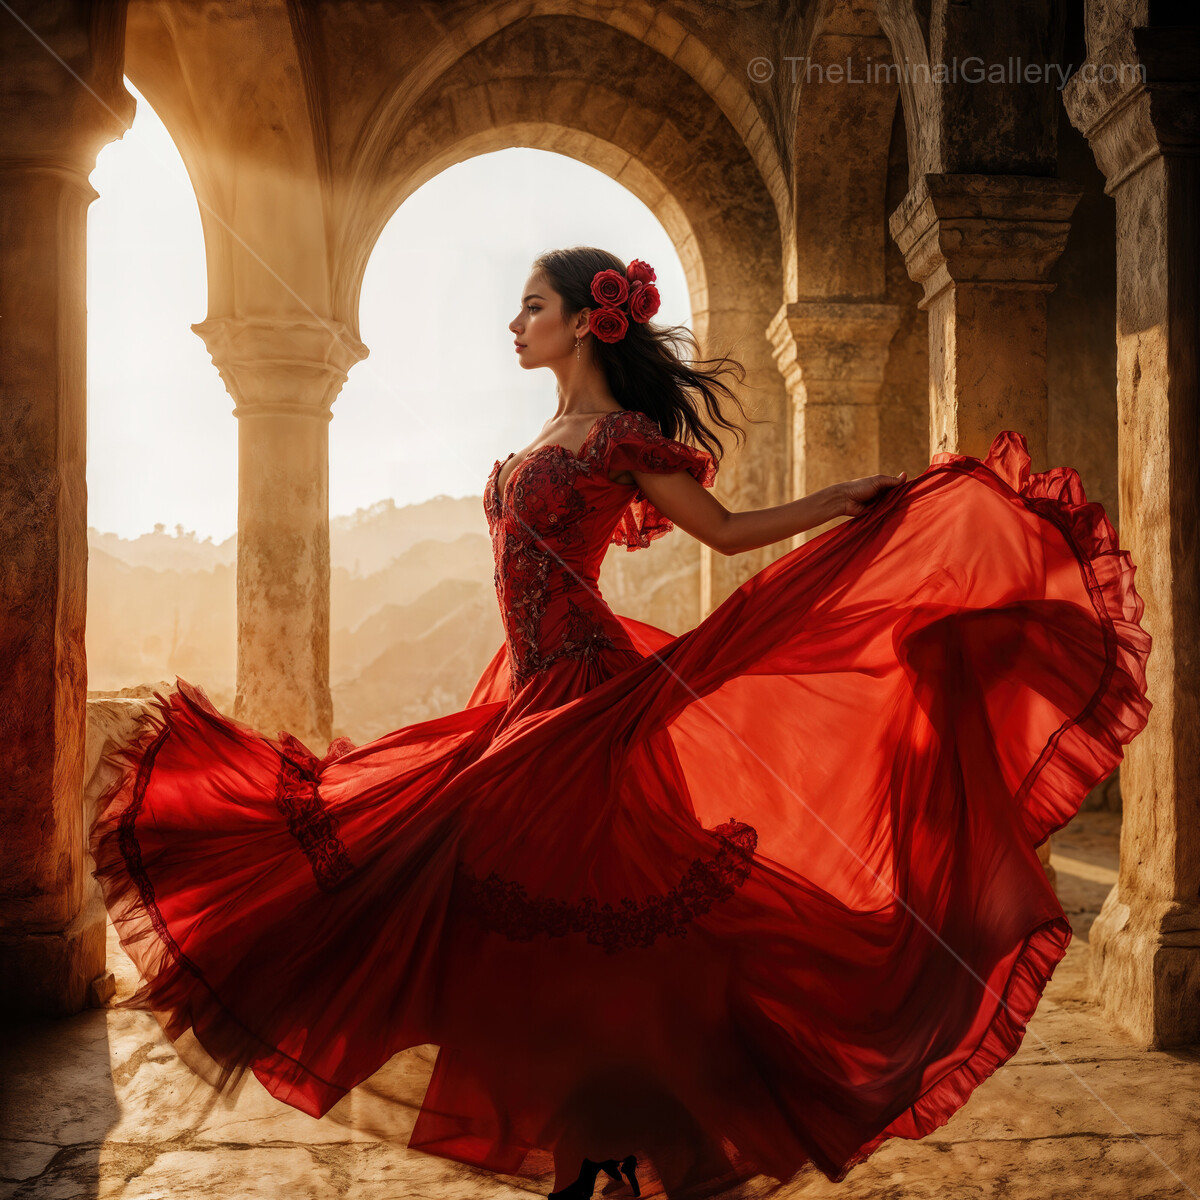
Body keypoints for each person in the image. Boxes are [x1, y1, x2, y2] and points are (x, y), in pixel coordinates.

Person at [89, 247, 1153, 1200]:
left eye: (530, 306)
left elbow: (727, 534)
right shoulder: (540, 439)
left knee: (566, 911)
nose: (514, 324)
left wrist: (832, 503)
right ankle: (596, 1145)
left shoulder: (622, 439)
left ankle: (615, 1141)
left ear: (586, 322)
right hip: (528, 696)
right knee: (540, 919)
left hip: (591, 700)